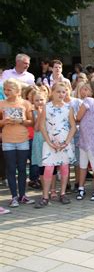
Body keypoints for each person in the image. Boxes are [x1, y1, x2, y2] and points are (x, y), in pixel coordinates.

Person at [35, 82, 77, 208]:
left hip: (64, 143)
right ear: (52, 92)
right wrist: (49, 141)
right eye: (58, 91)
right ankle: (45, 196)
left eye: (63, 92)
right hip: (50, 143)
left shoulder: (68, 107)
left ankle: (63, 193)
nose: (61, 94)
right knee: (48, 168)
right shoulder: (46, 107)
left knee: (64, 167)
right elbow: (42, 126)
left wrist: (67, 142)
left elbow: (73, 126)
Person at [0, 78, 35, 208]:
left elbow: (32, 122)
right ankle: (13, 196)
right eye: (5, 89)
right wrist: (4, 122)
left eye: (9, 89)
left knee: (22, 169)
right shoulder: (1, 104)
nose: (6, 91)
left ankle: (23, 195)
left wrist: (20, 121)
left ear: (18, 90)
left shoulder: (25, 103)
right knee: (10, 169)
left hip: (23, 140)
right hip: (8, 140)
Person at [75, 82, 94, 201]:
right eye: (83, 89)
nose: (83, 91)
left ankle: (82, 188)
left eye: (86, 89)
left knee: (84, 164)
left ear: (92, 91)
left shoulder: (87, 100)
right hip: (93, 136)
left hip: (87, 137)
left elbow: (78, 117)